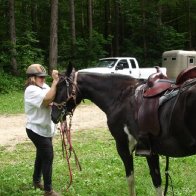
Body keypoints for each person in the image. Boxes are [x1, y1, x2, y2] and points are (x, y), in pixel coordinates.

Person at [24, 64, 59, 196]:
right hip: (36, 130)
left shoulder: (44, 86)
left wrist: (58, 80)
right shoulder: (31, 90)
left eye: (44, 77)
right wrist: (55, 81)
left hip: (45, 129)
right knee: (48, 155)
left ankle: (36, 181)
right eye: (40, 77)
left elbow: (53, 96)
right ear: (32, 78)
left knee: (41, 155)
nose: (43, 79)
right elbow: (47, 99)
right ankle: (48, 191)